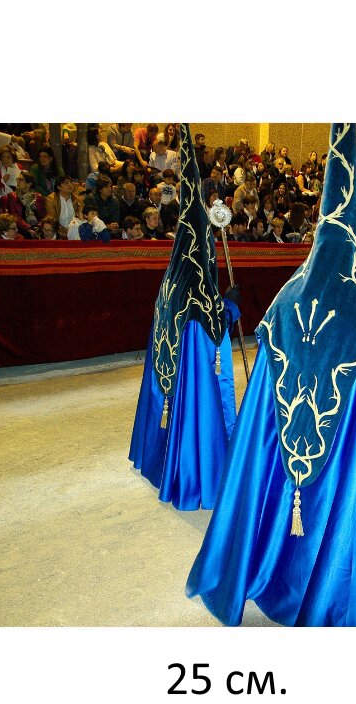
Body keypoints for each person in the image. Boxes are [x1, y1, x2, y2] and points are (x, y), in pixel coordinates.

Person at [186, 123, 356, 627]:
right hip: (335, 468)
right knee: (338, 507)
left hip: (284, 462)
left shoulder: (284, 303)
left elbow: (261, 407)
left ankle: (262, 565)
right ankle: (325, 595)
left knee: (273, 484)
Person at [129, 123, 242, 511]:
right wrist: (231, 305)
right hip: (192, 375)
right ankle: (198, 471)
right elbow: (213, 325)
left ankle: (158, 454)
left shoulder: (173, 274)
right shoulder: (198, 277)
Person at [0, 171, 45, 237]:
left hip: (37, 228)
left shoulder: (38, 197)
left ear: (29, 184)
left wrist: (39, 227)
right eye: (17, 179)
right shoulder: (12, 196)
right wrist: (28, 228)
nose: (17, 181)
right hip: (20, 228)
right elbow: (14, 216)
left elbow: (43, 216)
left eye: (21, 180)